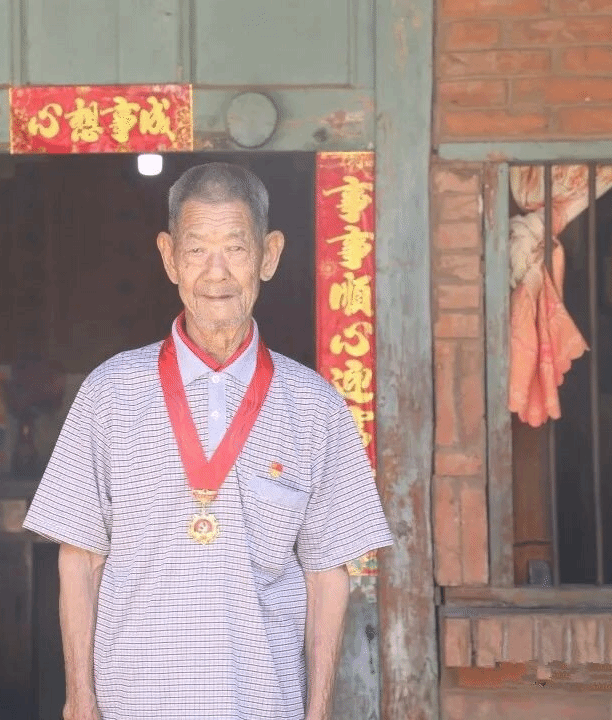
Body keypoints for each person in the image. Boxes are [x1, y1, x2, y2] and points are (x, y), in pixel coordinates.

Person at [22, 162, 392, 720]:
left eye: (236, 249)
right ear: (169, 257)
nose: (216, 273)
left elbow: (327, 576)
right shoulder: (110, 392)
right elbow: (80, 559)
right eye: (196, 250)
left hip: (263, 706)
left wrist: (316, 714)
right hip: (134, 705)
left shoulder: (314, 405)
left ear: (269, 255)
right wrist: (80, 700)